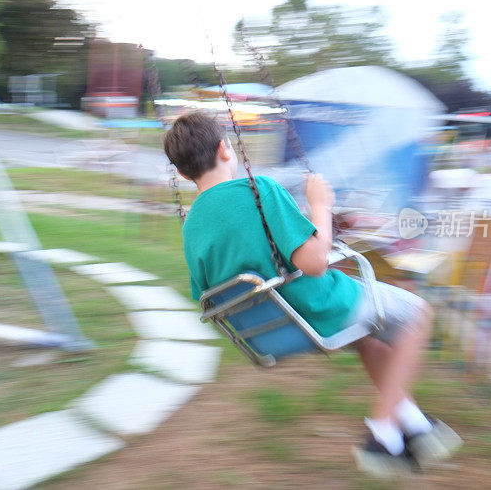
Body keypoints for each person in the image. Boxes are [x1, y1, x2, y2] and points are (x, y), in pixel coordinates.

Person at [163, 111, 461, 477]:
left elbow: (206, 292)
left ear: (181, 172)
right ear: (226, 149)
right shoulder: (259, 191)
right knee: (418, 315)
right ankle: (382, 433)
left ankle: (414, 425)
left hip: (268, 333)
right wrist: (321, 206)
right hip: (317, 309)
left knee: (369, 338)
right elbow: (316, 262)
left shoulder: (191, 223)